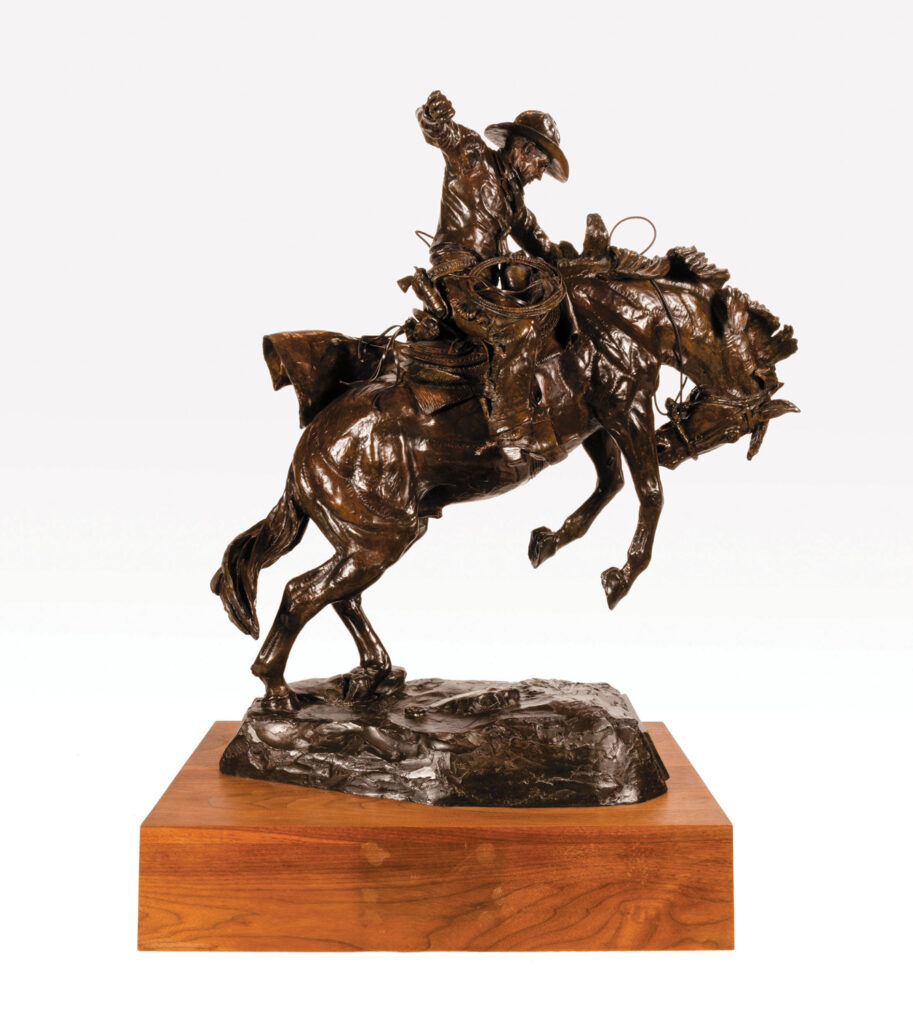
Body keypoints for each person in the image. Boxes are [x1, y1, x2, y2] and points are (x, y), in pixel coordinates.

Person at [408, 91, 570, 462]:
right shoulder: (472, 155)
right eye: (541, 164)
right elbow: (440, 133)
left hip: (482, 288)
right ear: (524, 150)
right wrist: (434, 117)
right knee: (518, 331)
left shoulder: (515, 202)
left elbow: (540, 242)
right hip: (455, 280)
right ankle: (512, 432)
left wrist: (570, 259)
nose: (540, 175)